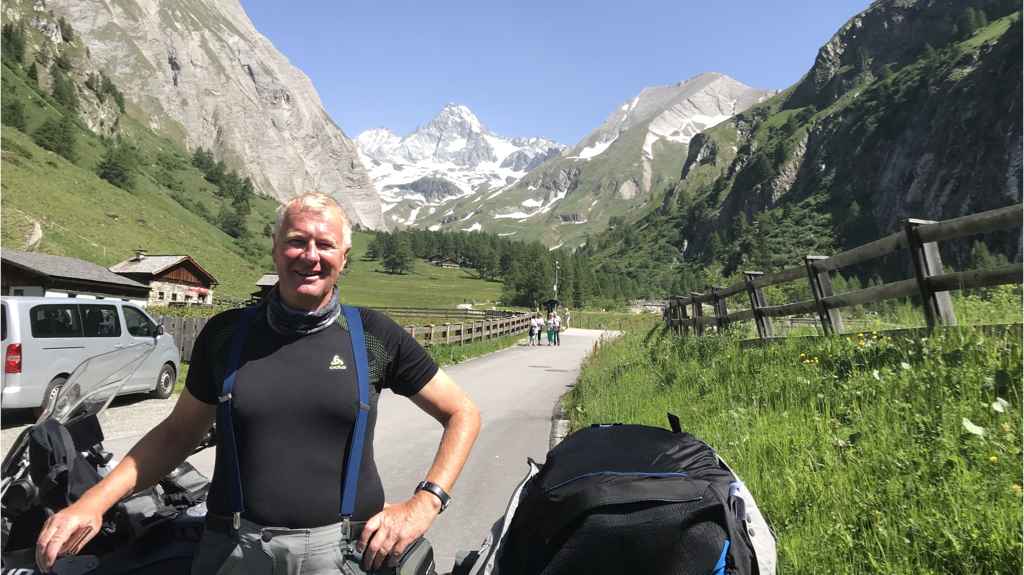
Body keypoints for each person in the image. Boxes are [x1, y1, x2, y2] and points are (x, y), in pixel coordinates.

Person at [35, 193, 481, 574]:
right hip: (233, 549)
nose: (310, 255)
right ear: (275, 248)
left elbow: (462, 412)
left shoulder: (372, 336)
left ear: (344, 256)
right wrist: (93, 502)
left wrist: (426, 502)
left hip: (342, 554)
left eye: (325, 244)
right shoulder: (226, 334)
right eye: (296, 241)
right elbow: (177, 434)